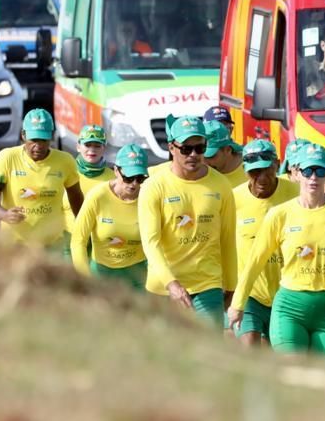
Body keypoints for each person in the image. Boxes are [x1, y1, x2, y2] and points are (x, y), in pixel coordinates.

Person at [228, 143, 325, 358]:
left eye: (320, 171)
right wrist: (237, 304)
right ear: (296, 173)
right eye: (307, 171)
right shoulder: (280, 214)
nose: (313, 178)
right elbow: (255, 262)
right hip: (290, 308)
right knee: (293, 374)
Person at [138, 115, 236, 328]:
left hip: (206, 284)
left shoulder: (221, 185)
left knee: (209, 351)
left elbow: (228, 240)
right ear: (172, 148)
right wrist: (171, 284)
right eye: (186, 149)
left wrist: (231, 287)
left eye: (199, 148)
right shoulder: (154, 186)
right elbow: (150, 243)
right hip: (162, 287)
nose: (193, 155)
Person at [231, 140, 299, 347]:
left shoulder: (296, 194)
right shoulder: (234, 199)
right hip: (251, 292)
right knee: (249, 346)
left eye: (267, 170)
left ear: (277, 164)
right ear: (244, 170)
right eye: (254, 171)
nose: (261, 178)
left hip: (287, 292)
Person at [0, 109, 83, 251]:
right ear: (23, 135)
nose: (38, 146)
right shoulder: (7, 157)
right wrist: (5, 215)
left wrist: (82, 229)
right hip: (15, 245)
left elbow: (76, 196)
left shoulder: (65, 161)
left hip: (52, 245)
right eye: (33, 140)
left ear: (51, 136)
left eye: (43, 140)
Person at [70, 145, 149, 290]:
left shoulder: (148, 197)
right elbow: (78, 241)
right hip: (102, 275)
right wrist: (85, 279)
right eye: (128, 177)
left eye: (140, 178)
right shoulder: (98, 196)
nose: (134, 184)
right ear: (116, 171)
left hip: (137, 276)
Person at [63, 125, 114, 236]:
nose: (92, 150)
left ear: (104, 148)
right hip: (68, 240)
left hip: (99, 241)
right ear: (78, 146)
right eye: (87, 145)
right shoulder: (66, 172)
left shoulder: (113, 178)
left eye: (97, 146)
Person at [203, 120, 246, 187]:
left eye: (211, 156)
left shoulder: (251, 169)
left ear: (228, 150)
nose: (205, 162)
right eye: (203, 156)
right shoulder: (199, 173)